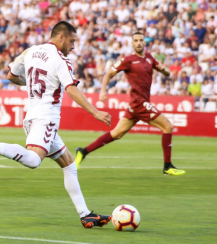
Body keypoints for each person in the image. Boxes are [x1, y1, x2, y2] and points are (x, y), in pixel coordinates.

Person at [0, 21, 113, 229]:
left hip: (32, 116)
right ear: (61, 37)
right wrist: (96, 112)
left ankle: (85, 214)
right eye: (71, 41)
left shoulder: (30, 52)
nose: (72, 47)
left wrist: (35, 83)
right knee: (34, 160)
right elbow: (71, 89)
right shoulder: (62, 60)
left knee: (69, 165)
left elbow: (11, 76)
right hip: (46, 118)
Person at [75, 32, 185, 176]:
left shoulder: (150, 58)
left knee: (117, 133)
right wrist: (103, 91)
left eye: (141, 40)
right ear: (132, 43)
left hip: (137, 105)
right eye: (136, 41)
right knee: (168, 126)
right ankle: (167, 166)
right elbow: (109, 73)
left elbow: (167, 74)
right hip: (139, 103)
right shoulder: (128, 60)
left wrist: (164, 70)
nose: (139, 43)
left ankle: (83, 152)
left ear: (144, 43)